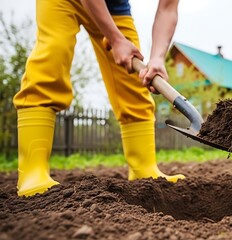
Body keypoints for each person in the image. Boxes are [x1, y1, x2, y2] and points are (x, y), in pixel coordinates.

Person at [13, 0, 185, 197]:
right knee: (52, 56)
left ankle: (144, 169)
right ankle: (32, 173)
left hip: (114, 7)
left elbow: (168, 8)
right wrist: (116, 39)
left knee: (132, 84)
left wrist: (157, 57)